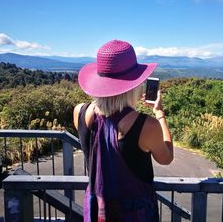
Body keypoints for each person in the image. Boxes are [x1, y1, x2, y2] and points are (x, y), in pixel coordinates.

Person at [73, 39, 173, 222]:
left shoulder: (80, 111)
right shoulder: (146, 125)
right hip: (135, 214)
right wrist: (159, 113)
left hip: (97, 210)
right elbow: (166, 157)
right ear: (134, 84)